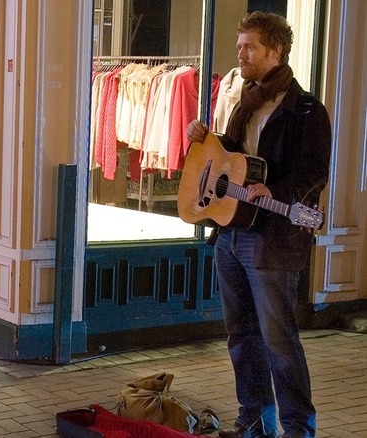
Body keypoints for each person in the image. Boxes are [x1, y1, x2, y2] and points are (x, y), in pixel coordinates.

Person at [186, 12, 331, 438]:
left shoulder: (306, 110)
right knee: (240, 337)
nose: (241, 54)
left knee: (279, 342)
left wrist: (277, 192)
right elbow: (232, 158)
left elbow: (314, 174)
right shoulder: (244, 100)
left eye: (250, 47)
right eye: (240, 46)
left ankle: (297, 430)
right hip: (231, 231)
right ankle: (253, 422)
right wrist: (204, 137)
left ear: (275, 50)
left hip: (274, 239)